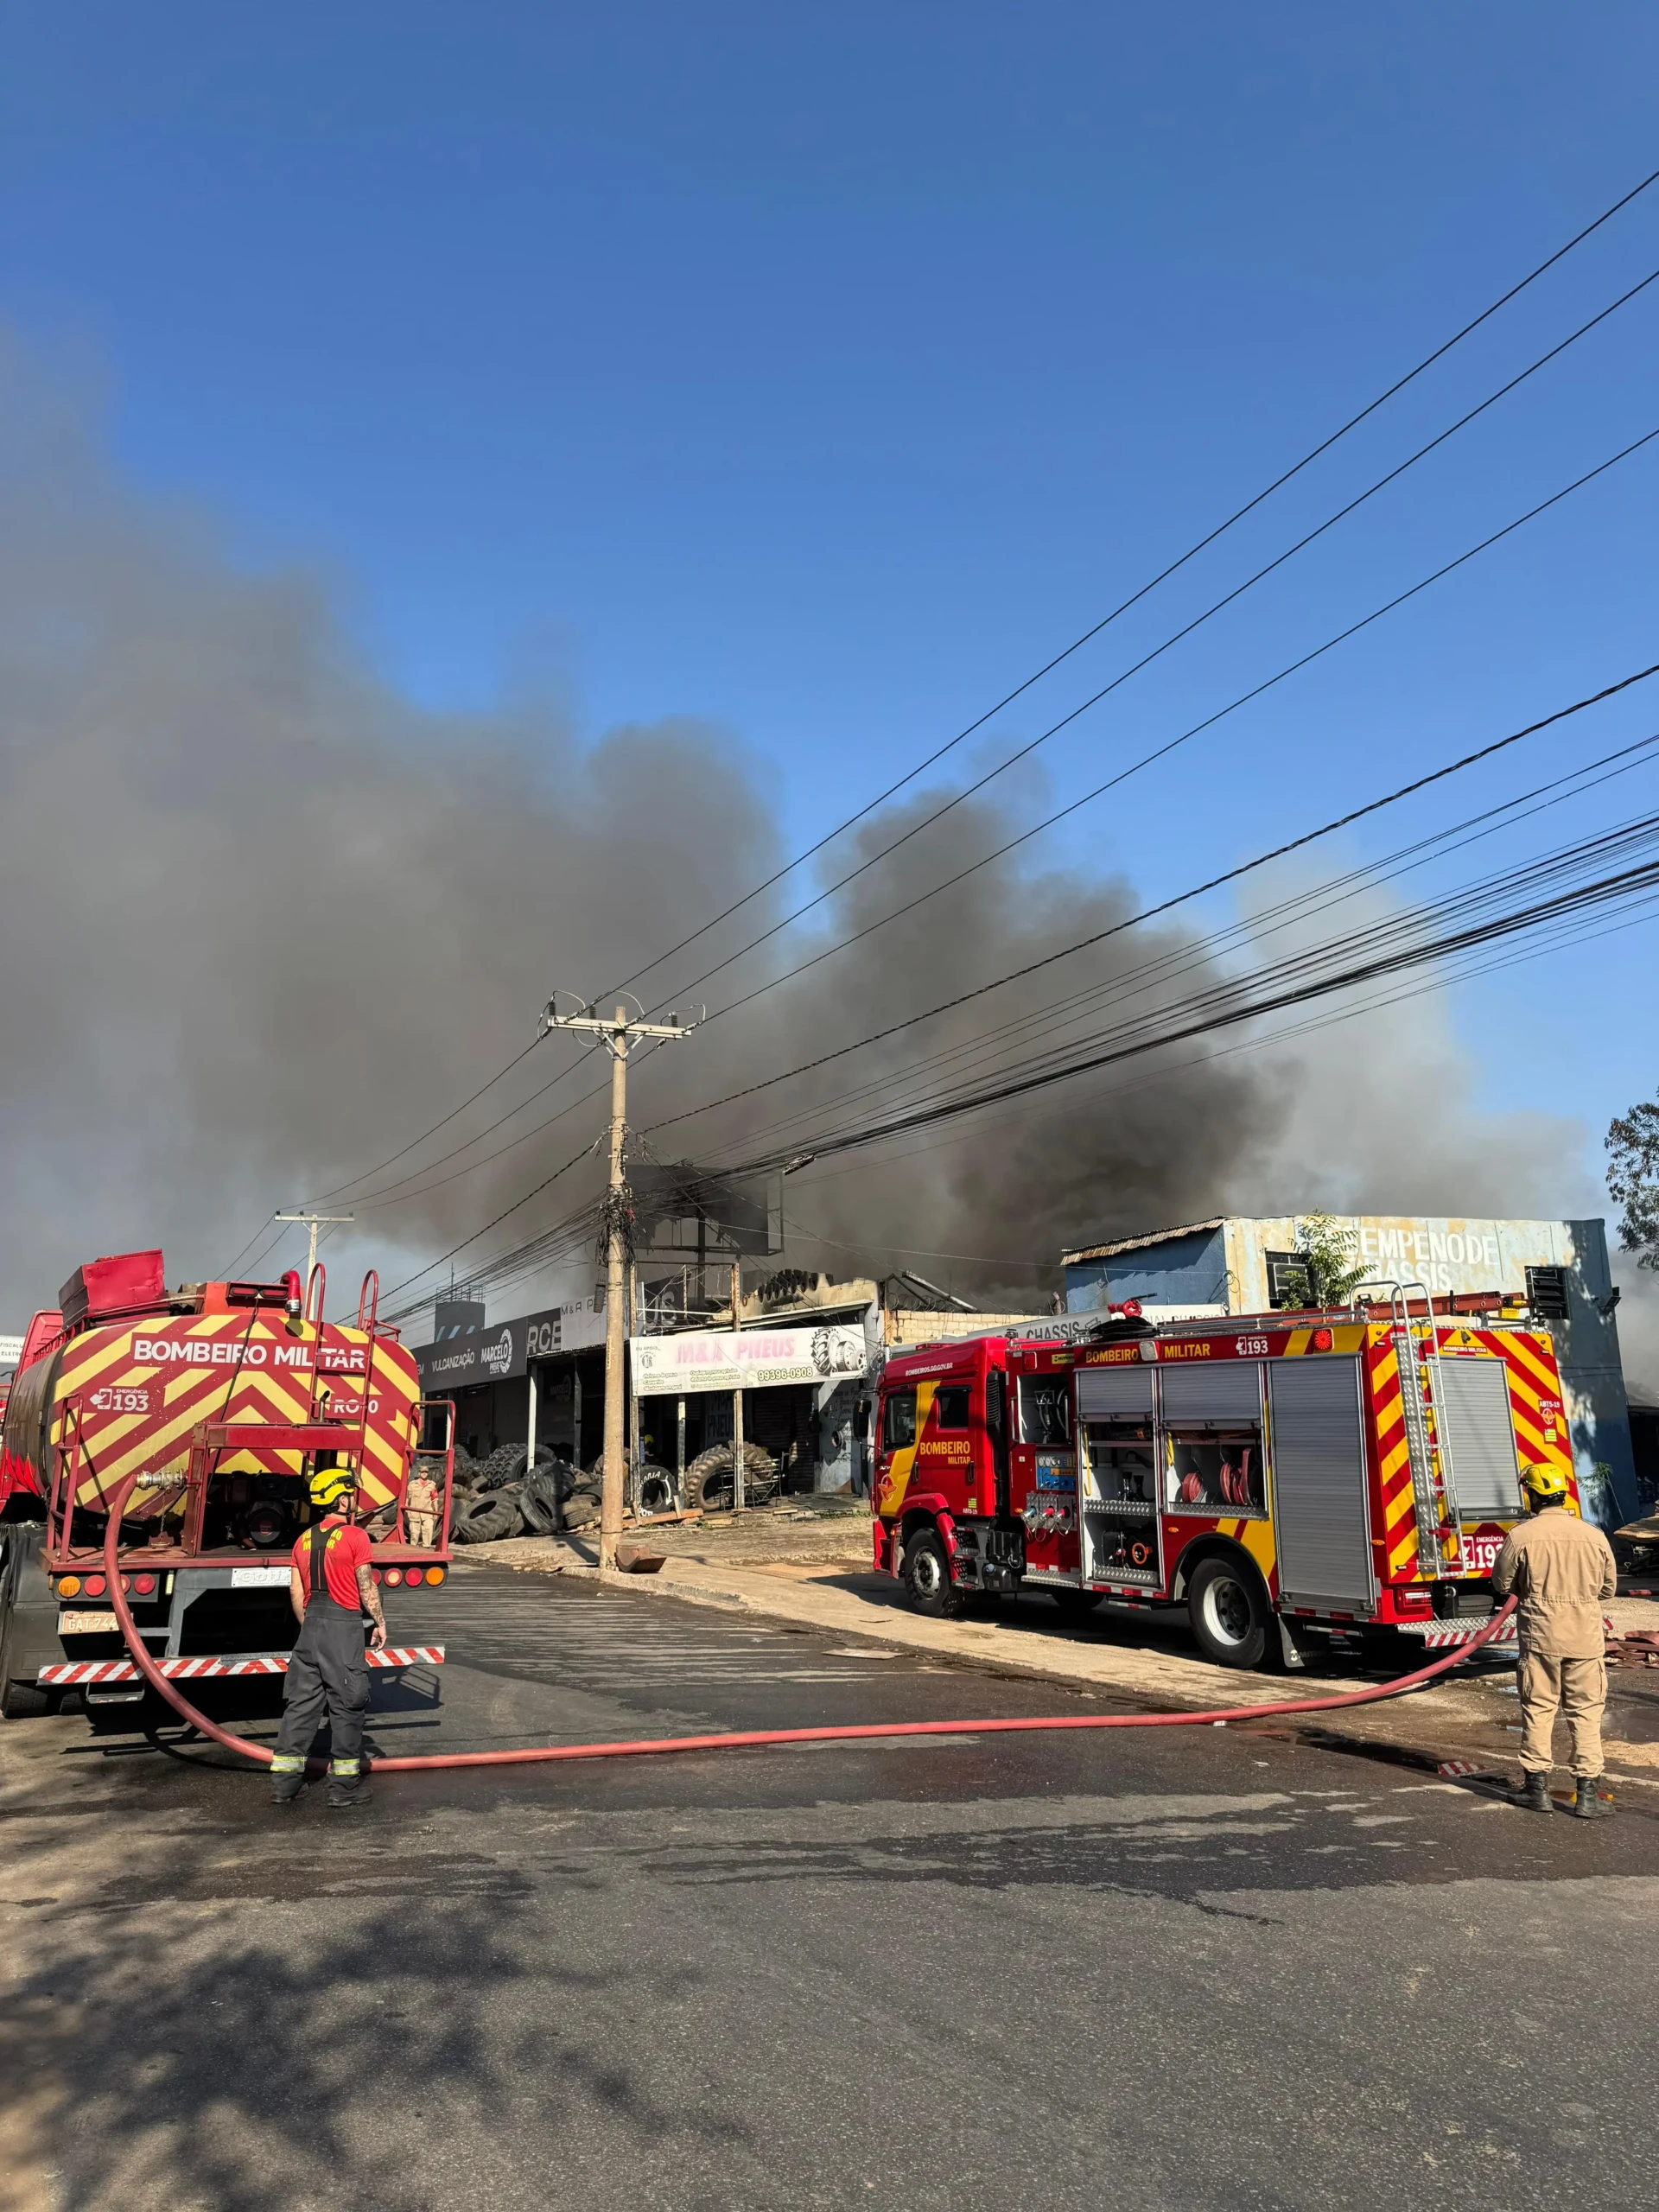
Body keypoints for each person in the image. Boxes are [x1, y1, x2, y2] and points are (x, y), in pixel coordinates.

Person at [1490, 1464, 1618, 1819]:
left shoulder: (1522, 1536)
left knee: (1539, 1710)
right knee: (1586, 1714)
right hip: (1586, 1639)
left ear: (1532, 1495)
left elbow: (1502, 1584)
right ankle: (1588, 1795)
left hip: (1541, 1636)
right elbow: (1607, 1589)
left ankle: (1536, 1790)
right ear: (1563, 1494)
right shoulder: (1594, 1535)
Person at [269, 1465, 386, 1811]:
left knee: (300, 1707)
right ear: (340, 1498)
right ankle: (344, 1789)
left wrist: (310, 1626)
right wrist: (378, 1622)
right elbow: (365, 1584)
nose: (353, 1499)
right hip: (343, 1627)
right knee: (348, 1705)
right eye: (350, 1493)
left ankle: (284, 1786)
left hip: (310, 1628)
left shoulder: (302, 1540)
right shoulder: (355, 1537)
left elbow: (295, 1591)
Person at [404, 1460, 440, 1549]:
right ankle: (413, 1550)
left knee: (428, 1531)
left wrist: (436, 1512)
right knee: (414, 1533)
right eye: (422, 1472)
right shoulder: (412, 1485)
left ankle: (426, 1548)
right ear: (419, 1473)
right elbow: (407, 1498)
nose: (424, 1474)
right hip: (415, 1513)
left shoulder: (431, 1485)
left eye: (426, 1472)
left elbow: (434, 1499)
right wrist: (407, 1510)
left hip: (427, 1512)